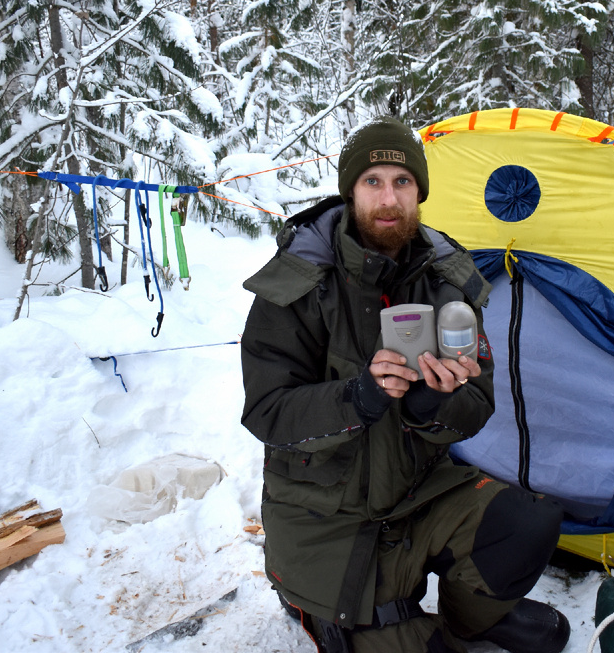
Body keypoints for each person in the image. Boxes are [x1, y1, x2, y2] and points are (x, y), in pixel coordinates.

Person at [240, 118, 570, 653]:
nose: (388, 199)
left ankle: (471, 619)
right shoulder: (299, 284)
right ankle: (316, 607)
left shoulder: (447, 279)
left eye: (402, 182)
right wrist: (358, 397)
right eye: (373, 182)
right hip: (327, 516)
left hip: (418, 491)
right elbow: (268, 413)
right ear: (351, 191)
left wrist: (434, 400)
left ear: (420, 191)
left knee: (527, 523)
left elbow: (477, 404)